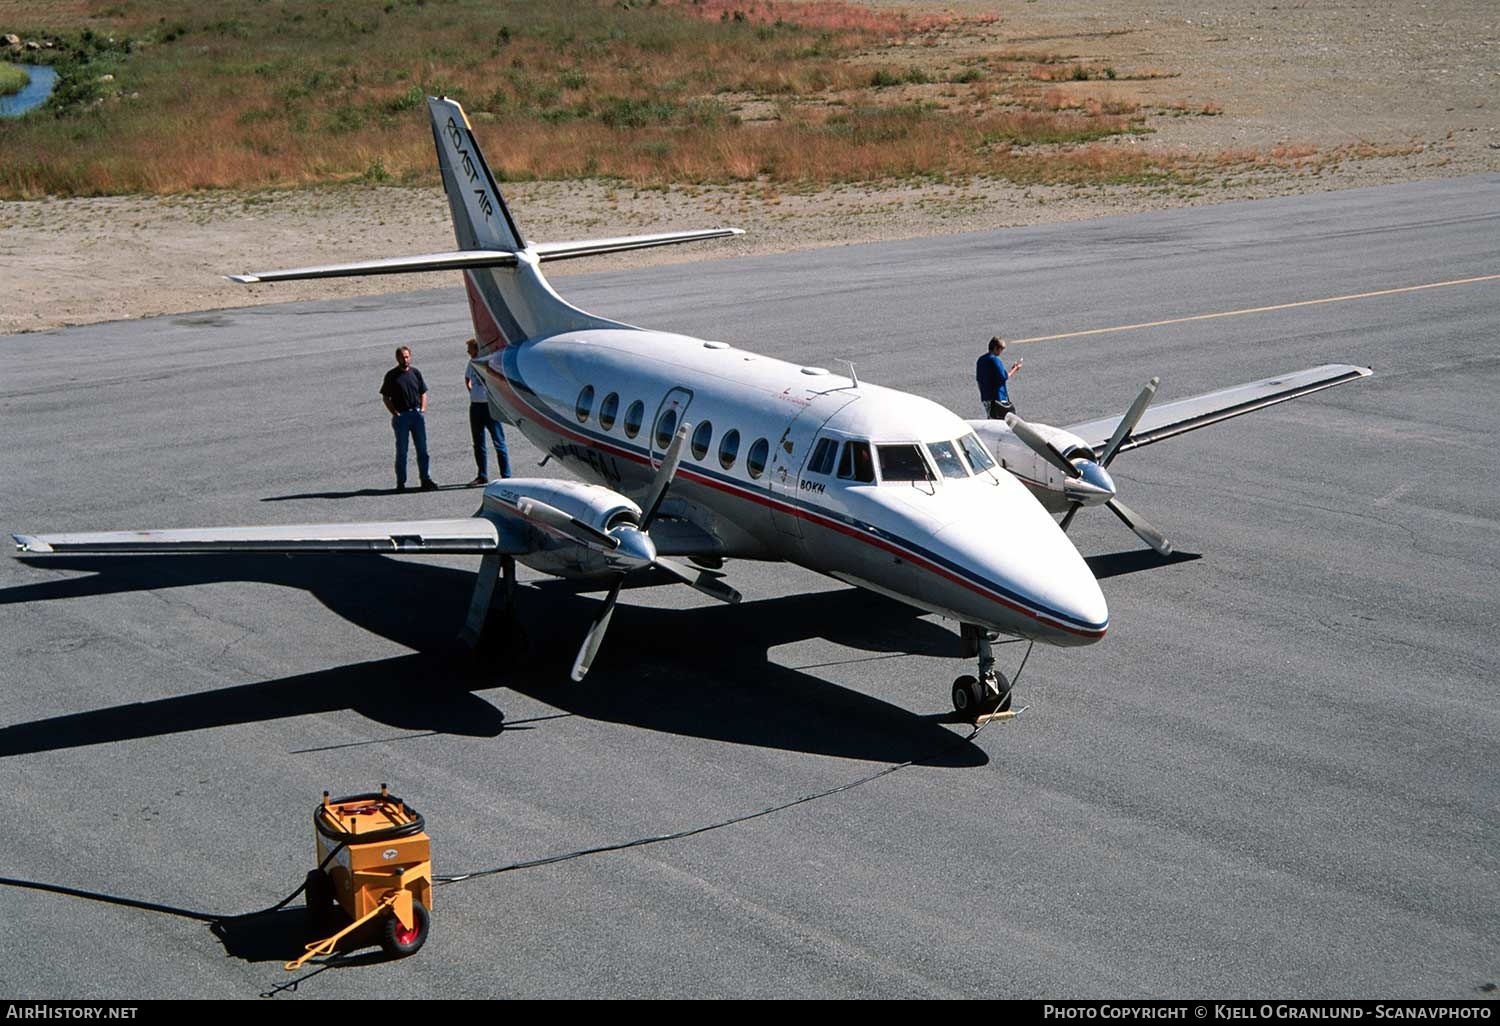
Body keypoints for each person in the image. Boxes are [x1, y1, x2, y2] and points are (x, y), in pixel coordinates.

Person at [379, 345, 437, 492]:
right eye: (401, 357)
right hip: (402, 417)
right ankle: (401, 482)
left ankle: (426, 479)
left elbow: (423, 392)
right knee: (402, 451)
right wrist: (395, 413)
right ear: (397, 358)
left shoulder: (415, 373)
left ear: (410, 357)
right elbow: (386, 397)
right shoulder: (392, 375)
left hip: (416, 415)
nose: (404, 359)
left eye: (406, 356)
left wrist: (423, 408)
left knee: (423, 450)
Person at [463, 337, 510, 486]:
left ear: (476, 349)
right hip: (475, 405)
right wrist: (472, 391)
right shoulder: (472, 363)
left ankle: (506, 476)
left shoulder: (487, 362)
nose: (467, 351)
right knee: (478, 442)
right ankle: (482, 475)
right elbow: (467, 378)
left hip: (489, 405)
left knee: (498, 441)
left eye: (470, 348)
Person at [975, 335, 1023, 419]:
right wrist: (1015, 369)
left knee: (991, 417)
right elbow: (1003, 377)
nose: (1001, 352)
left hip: (986, 396)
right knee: (1001, 419)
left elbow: (979, 379)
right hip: (998, 397)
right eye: (1001, 349)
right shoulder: (995, 360)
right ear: (996, 348)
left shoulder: (981, 360)